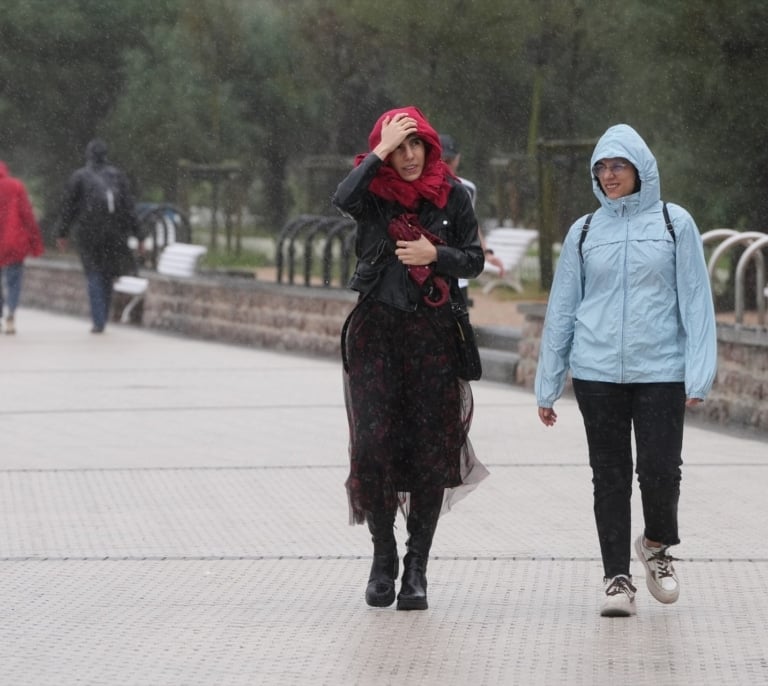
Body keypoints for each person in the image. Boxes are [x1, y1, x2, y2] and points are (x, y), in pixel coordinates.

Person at [535, 123, 717, 618]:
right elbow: (562, 308)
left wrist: (699, 373)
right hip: (596, 371)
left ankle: (656, 545)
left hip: (661, 368)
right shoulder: (585, 230)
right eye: (601, 167)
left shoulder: (674, 223)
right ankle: (617, 577)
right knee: (609, 476)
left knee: (660, 470)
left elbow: (696, 301)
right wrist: (547, 383)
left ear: (641, 169)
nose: (609, 175)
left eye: (618, 166)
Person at [333, 106, 489, 611]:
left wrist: (434, 256)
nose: (408, 156)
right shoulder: (373, 196)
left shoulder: (455, 196)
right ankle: (384, 558)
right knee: (374, 445)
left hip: (433, 337)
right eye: (398, 146)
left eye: (416, 144)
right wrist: (376, 153)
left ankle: (416, 566)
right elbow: (343, 197)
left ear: (430, 147)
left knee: (428, 452)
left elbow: (474, 258)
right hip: (377, 333)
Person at [55, 139, 143, 333]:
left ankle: (99, 319)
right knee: (108, 274)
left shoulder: (79, 177)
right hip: (115, 234)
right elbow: (129, 208)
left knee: (94, 273)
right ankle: (102, 313)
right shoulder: (117, 176)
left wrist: (62, 233)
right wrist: (140, 236)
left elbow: (69, 207)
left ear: (88, 155)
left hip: (88, 234)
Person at [439, 134, 504, 306]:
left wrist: (487, 252)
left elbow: (471, 225)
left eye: (449, 159)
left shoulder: (466, 189)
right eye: (442, 159)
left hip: (458, 271)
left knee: (458, 325)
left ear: (457, 159)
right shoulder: (421, 187)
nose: (446, 164)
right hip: (432, 270)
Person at [0, 161, 45, 334]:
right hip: (14, 243)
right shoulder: (16, 186)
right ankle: (11, 312)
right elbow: (27, 216)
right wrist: (36, 243)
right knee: (14, 282)